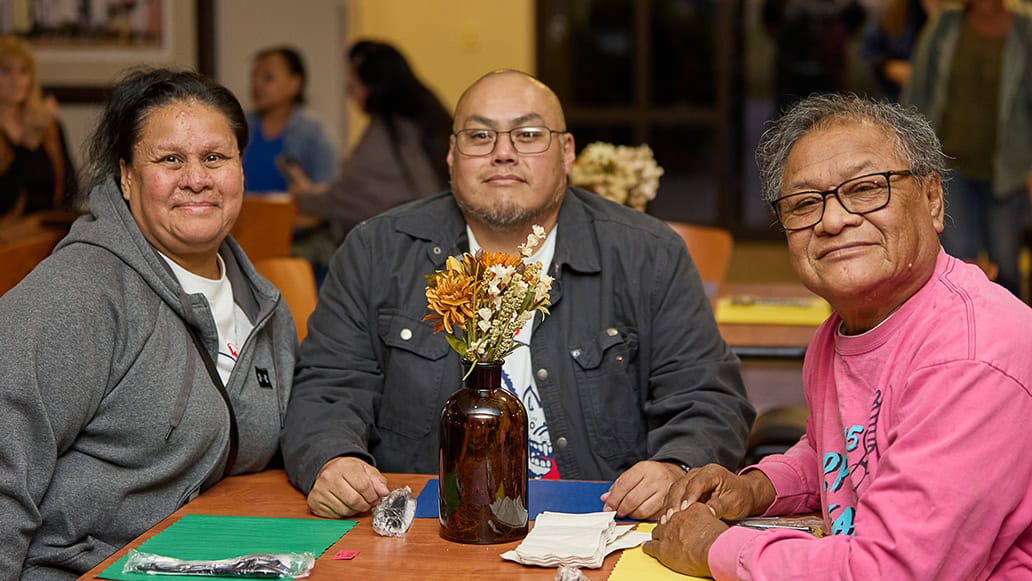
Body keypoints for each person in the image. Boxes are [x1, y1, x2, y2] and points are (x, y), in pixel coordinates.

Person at [280, 69, 754, 522]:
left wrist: (675, 465)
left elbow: (707, 396)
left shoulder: (647, 253)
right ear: (451, 154)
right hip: (425, 527)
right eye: (480, 136)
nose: (502, 153)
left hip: (602, 524)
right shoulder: (376, 250)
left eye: (528, 135)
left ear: (567, 152)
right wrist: (332, 458)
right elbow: (326, 386)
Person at [644, 94, 1032, 579]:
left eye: (867, 189)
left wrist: (715, 546)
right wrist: (757, 488)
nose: (832, 220)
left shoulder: (971, 353)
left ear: (933, 199)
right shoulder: (845, 328)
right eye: (805, 203)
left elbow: (895, 571)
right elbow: (840, 453)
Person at [0, 68, 297, 580]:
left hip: (208, 560)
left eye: (215, 157)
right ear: (127, 176)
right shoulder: (77, 293)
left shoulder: (264, 305)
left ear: (241, 171)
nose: (197, 178)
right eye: (170, 160)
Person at [283, 40, 452, 278]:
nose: (349, 90)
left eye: (353, 81)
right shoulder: (426, 117)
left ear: (371, 83)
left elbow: (345, 199)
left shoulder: (390, 132)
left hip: (407, 258)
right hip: (435, 248)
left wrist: (304, 196)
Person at [905, 0, 1032, 298]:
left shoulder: (1025, 29)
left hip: (1008, 169)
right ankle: (962, 336)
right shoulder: (946, 25)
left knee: (1006, 265)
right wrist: (912, 152)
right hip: (951, 165)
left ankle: (1009, 337)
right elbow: (918, 89)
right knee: (959, 261)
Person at [0, 35, 78, 221]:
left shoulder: (49, 128)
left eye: (23, 71)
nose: (15, 80)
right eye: (6, 70)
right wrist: (25, 145)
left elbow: (70, 189)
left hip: (49, 236)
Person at [243, 45, 337, 193]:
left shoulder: (315, 132)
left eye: (268, 77)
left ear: (295, 84)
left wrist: (309, 191)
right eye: (254, 77)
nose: (257, 85)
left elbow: (329, 192)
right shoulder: (240, 125)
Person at [861, 0, 939, 101]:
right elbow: (870, 51)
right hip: (895, 99)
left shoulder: (954, 19)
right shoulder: (898, 12)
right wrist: (890, 67)